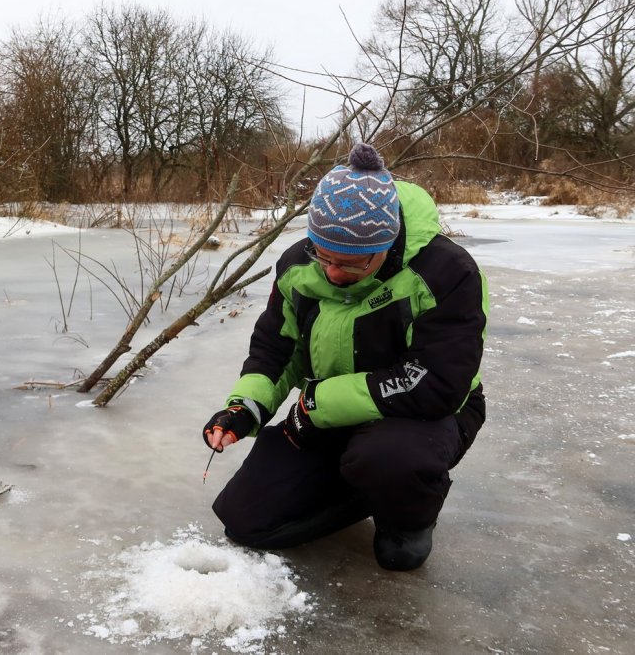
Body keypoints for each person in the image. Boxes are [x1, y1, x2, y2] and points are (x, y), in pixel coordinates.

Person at [203, 143, 487, 571]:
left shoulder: (447, 273)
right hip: (330, 415)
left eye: (353, 264)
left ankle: (406, 519)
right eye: (324, 255)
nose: (334, 273)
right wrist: (244, 408)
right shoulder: (298, 267)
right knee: (247, 522)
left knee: (390, 465)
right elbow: (277, 350)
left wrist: (316, 404)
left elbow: (437, 383)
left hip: (422, 417)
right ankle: (364, 487)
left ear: (388, 244)